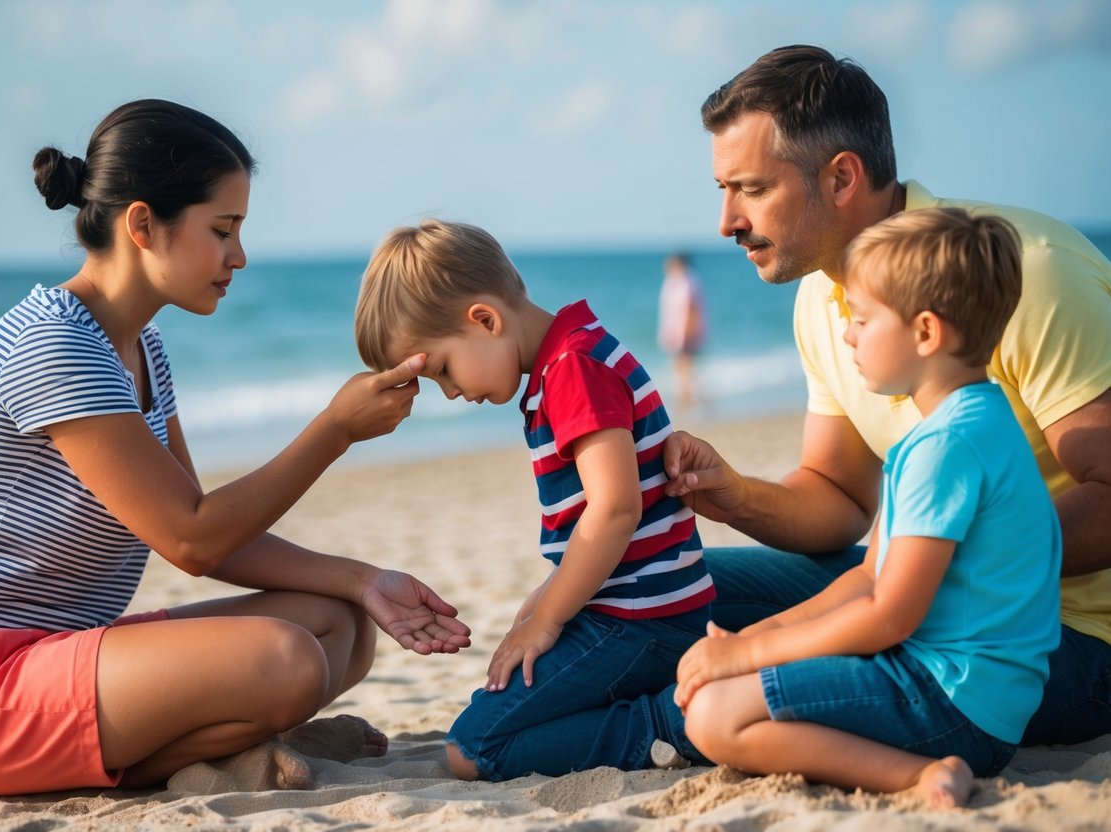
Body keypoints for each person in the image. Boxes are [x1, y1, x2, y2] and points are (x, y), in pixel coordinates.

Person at [0, 99, 471, 798]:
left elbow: (211, 532)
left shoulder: (141, 349)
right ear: (143, 224)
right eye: (222, 229)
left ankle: (247, 742)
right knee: (285, 658)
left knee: (339, 625)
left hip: (55, 660)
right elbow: (190, 541)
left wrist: (361, 579)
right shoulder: (52, 344)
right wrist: (335, 431)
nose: (239, 256)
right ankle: (207, 752)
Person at [664, 44, 1111, 747]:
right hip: (911, 585)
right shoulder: (822, 295)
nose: (726, 221)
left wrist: (913, 572)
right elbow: (839, 498)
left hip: (1064, 635)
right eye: (722, 190)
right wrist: (732, 495)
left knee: (726, 696)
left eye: (749, 188)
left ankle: (641, 733)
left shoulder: (1028, 274)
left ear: (841, 176)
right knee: (666, 588)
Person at [675, 207, 1061, 808]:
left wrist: (745, 655)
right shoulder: (971, 424)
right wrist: (753, 638)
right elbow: (867, 576)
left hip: (952, 700)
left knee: (712, 717)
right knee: (729, 685)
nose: (849, 334)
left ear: (926, 333)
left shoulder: (946, 448)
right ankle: (919, 764)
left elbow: (888, 616)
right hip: (971, 694)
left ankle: (917, 775)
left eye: (861, 318)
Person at [353, 219, 716, 781]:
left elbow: (618, 509)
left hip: (641, 621)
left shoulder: (572, 369)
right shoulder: (570, 356)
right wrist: (543, 599)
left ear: (484, 319)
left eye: (445, 370)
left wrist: (548, 620)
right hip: (640, 607)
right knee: (512, 684)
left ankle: (672, 723)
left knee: (475, 749)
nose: (451, 392)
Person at [657, 252, 707, 411]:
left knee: (685, 368)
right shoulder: (675, 281)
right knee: (682, 368)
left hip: (684, 333)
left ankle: (689, 401)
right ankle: (690, 400)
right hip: (676, 332)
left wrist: (685, 334)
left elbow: (689, 309)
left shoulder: (688, 281)